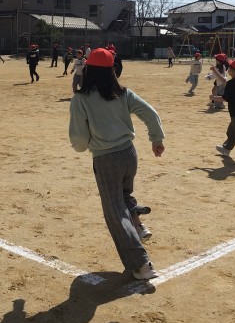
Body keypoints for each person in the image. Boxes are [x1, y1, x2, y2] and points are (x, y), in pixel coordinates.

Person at [69, 48, 165, 280]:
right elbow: (150, 114)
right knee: (123, 195)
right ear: (112, 71)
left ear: (89, 70)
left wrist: (83, 147)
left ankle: (141, 263)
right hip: (129, 154)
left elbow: (79, 138)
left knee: (115, 212)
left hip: (106, 159)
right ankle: (138, 225)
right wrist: (156, 139)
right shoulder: (123, 94)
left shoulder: (81, 99)